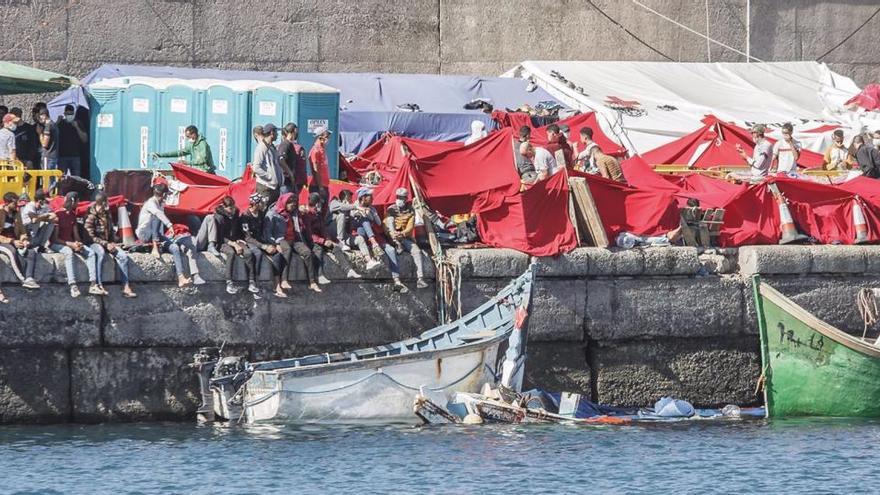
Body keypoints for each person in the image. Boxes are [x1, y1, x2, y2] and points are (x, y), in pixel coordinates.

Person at [136, 183, 205, 287]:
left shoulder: (161, 204)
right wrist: (169, 225)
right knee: (156, 216)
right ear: (163, 195)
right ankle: (155, 247)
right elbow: (158, 215)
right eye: (167, 194)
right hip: (146, 235)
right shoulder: (151, 203)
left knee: (175, 248)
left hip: (158, 234)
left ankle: (180, 277)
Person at [265, 192, 321, 293]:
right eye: (291, 205)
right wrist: (275, 244)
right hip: (280, 239)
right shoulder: (273, 214)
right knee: (287, 250)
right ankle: (284, 280)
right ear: (285, 203)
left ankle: (312, 282)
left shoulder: (294, 213)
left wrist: (302, 210)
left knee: (307, 253)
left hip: (294, 239)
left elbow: (304, 216)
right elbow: (267, 232)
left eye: (294, 205)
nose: (293, 207)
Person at [83, 192, 136, 298]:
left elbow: (111, 231)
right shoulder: (90, 216)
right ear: (102, 203)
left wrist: (115, 242)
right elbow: (90, 237)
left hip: (107, 243)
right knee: (100, 253)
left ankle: (125, 285)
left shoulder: (107, 214)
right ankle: (98, 284)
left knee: (123, 256)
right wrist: (105, 244)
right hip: (94, 243)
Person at [50, 192, 99, 297]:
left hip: (71, 242)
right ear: (73, 201)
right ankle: (73, 285)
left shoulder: (72, 215)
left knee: (90, 253)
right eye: (77, 201)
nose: (78, 203)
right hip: (58, 244)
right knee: (68, 252)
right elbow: (55, 239)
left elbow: (75, 234)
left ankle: (93, 284)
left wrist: (78, 243)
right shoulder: (57, 215)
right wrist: (70, 244)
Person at [206, 196, 258, 295]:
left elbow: (238, 229)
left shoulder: (235, 214)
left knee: (249, 253)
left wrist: (240, 240)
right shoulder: (219, 217)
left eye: (233, 207)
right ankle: (229, 282)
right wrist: (233, 244)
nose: (232, 210)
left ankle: (252, 281)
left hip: (235, 240)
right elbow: (219, 236)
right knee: (231, 253)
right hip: (223, 242)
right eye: (230, 208)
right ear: (224, 207)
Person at [241, 193, 286, 298]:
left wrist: (272, 244)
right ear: (255, 204)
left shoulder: (261, 214)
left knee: (277, 254)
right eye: (261, 202)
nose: (263, 204)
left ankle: (277, 284)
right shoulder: (245, 216)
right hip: (250, 242)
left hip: (261, 240)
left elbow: (264, 232)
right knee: (257, 254)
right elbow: (248, 237)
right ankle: (254, 284)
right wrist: (263, 246)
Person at [383, 188, 427, 292]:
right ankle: (397, 243)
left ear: (406, 199)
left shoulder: (411, 210)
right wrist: (392, 234)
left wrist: (402, 234)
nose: (399, 199)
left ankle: (420, 279)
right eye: (398, 197)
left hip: (404, 236)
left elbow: (410, 227)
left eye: (402, 198)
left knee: (417, 251)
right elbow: (385, 225)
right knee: (390, 220)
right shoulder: (391, 209)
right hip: (392, 236)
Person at [0, 192, 40, 291]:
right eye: (14, 203)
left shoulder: (17, 213)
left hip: (16, 240)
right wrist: (12, 241)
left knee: (31, 251)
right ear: (7, 203)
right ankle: (23, 280)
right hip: (4, 241)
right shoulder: (0, 213)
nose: (17, 205)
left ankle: (29, 277)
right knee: (12, 252)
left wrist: (24, 239)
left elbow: (22, 231)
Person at [349, 188, 384, 271]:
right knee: (363, 219)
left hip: (365, 235)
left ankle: (373, 244)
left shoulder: (372, 208)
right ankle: (374, 243)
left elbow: (379, 223)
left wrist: (372, 214)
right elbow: (351, 217)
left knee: (365, 220)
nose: (372, 199)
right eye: (370, 197)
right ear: (363, 198)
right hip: (355, 235)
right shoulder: (354, 206)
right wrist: (360, 211)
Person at [252, 124, 283, 205]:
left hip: (274, 187)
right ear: (272, 133)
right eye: (276, 132)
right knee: (264, 212)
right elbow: (256, 168)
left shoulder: (272, 147)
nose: (278, 135)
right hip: (265, 188)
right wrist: (270, 177)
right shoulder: (261, 147)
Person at [57, 105, 88, 177]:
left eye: (71, 114)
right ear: (64, 114)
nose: (69, 116)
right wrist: (57, 122)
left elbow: (85, 139)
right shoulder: (61, 124)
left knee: (76, 178)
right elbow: (53, 136)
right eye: (68, 114)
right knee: (61, 177)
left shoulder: (78, 123)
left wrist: (77, 127)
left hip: (75, 156)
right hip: (62, 156)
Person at [309, 127, 332, 199]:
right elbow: (315, 170)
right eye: (327, 137)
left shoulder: (322, 149)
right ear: (320, 137)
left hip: (324, 185)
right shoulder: (315, 150)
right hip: (317, 187)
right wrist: (320, 187)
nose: (328, 139)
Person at [37, 108, 60, 179]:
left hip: (48, 156)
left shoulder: (48, 126)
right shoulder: (54, 124)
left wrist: (40, 133)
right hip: (54, 155)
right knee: (52, 179)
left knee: (47, 179)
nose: (40, 119)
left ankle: (47, 190)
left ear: (44, 115)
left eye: (40, 116)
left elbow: (44, 144)